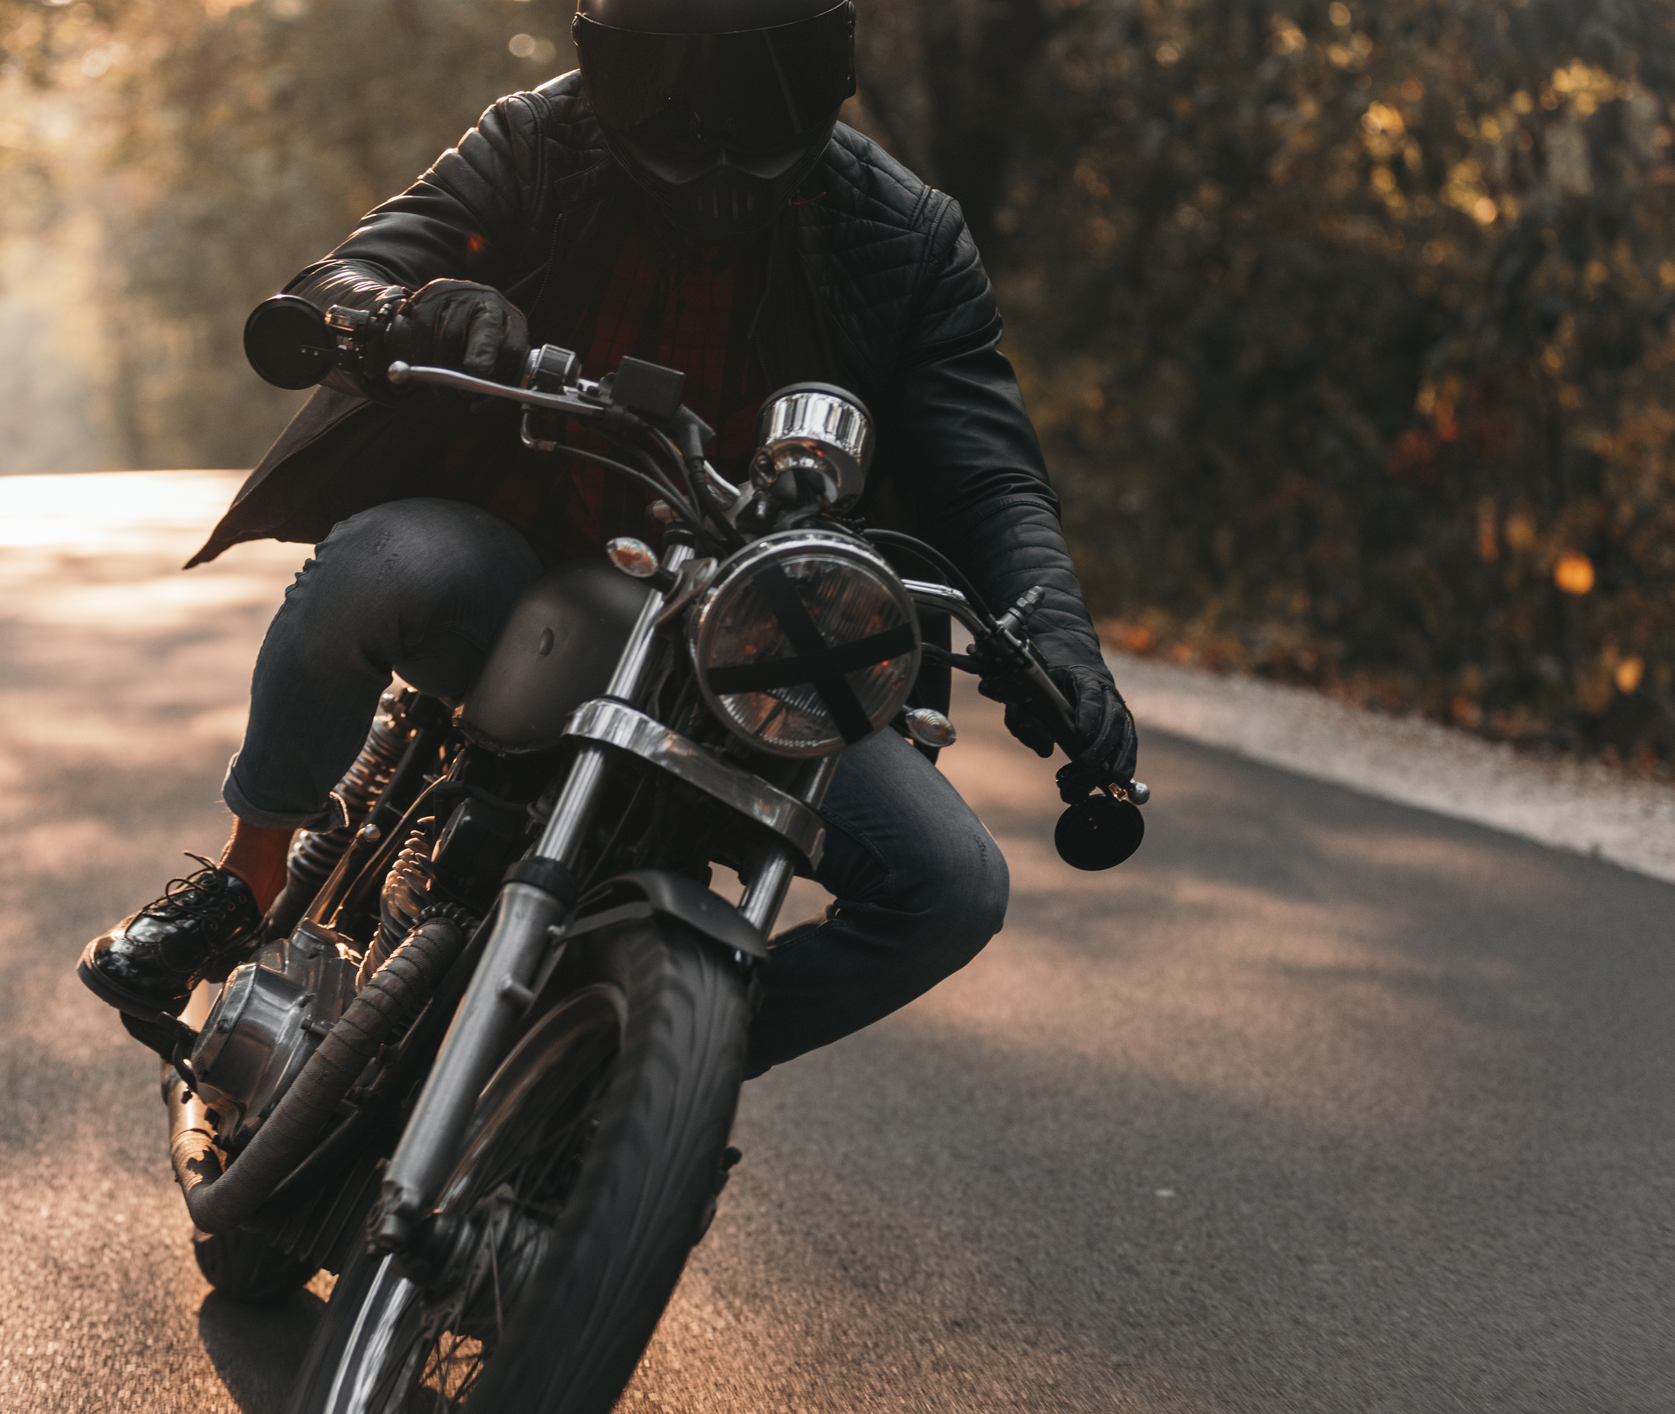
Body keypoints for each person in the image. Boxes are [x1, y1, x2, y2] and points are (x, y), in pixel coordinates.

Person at [77, 0, 1137, 1074]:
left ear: (827, 64)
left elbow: (993, 477)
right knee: (383, 561)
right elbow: (342, 276)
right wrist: (422, 308)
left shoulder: (907, 236)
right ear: (613, 62)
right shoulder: (537, 142)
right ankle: (244, 880)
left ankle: (635, 1084)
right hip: (511, 573)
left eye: (761, 81)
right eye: (677, 80)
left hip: (756, 647)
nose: (720, 127)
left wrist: (1060, 640)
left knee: (950, 885)